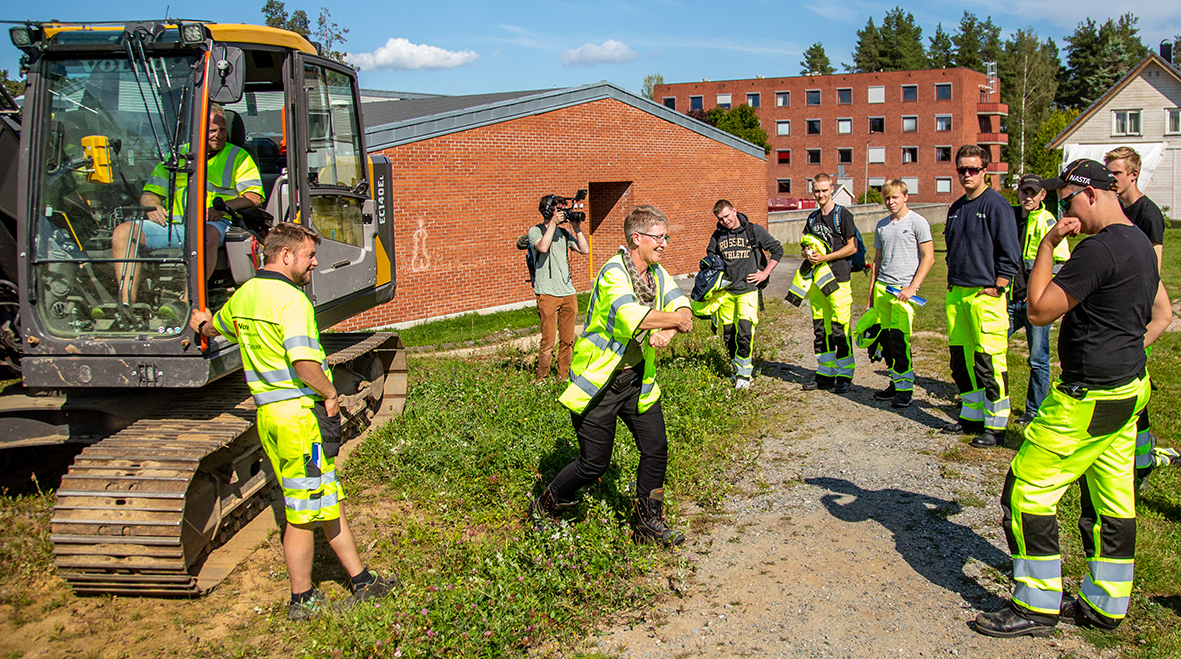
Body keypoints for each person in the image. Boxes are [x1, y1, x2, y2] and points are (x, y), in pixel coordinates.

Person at [974, 159, 1171, 638]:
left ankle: (1036, 607)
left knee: (1027, 490)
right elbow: (1161, 313)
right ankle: (1106, 605)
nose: (1065, 208)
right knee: (1113, 502)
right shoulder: (1142, 244)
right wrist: (1124, 349)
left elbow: (1039, 310)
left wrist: (1046, 244)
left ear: (1091, 194)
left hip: (1086, 399)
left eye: (1067, 199)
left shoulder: (1098, 250)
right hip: (1128, 390)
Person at [189, 223, 396, 621]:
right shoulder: (291, 301)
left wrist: (200, 322)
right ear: (285, 256)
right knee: (302, 512)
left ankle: (363, 580)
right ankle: (302, 598)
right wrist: (331, 392)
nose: (314, 263)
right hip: (299, 417)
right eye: (309, 255)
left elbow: (216, 326)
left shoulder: (245, 295)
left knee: (325, 497)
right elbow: (303, 363)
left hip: (269, 414)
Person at [528, 205, 695, 546]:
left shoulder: (657, 273)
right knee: (594, 465)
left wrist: (672, 330)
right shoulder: (612, 272)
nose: (664, 244)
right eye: (659, 237)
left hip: (638, 382)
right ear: (638, 238)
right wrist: (674, 321)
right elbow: (631, 314)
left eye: (666, 237)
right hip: (599, 385)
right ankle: (544, 505)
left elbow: (683, 305)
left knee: (656, 449)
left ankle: (648, 521)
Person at [114, 103, 263, 304]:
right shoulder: (177, 157)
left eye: (222, 130)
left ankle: (187, 302)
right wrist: (153, 205)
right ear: (198, 130)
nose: (218, 135)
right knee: (124, 232)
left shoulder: (238, 156)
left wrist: (222, 208)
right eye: (212, 131)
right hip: (173, 227)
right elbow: (150, 192)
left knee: (206, 234)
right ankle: (127, 304)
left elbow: (254, 197)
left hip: (215, 225)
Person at [941, 145, 1021, 447]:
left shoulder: (997, 205)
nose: (967, 174)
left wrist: (999, 286)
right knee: (961, 362)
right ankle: (971, 418)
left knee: (988, 363)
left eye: (973, 169)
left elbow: (1009, 254)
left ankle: (996, 426)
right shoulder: (957, 207)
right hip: (957, 295)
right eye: (962, 169)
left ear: (984, 170)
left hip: (985, 296)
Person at [1103, 147, 1168, 484]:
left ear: (1133, 174)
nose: (1110, 179)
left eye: (1115, 173)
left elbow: (1151, 269)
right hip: (1116, 310)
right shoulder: (1114, 209)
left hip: (1137, 312)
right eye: (1107, 172)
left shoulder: (1147, 214)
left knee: (1134, 389)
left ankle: (1141, 462)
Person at [865, 179, 934, 409]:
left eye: (895, 197)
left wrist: (912, 288)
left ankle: (905, 389)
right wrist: (871, 294)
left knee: (899, 339)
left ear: (905, 196)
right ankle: (896, 382)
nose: (891, 202)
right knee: (885, 340)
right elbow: (877, 260)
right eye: (887, 197)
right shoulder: (882, 225)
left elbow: (929, 257)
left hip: (904, 292)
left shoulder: (917, 222)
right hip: (883, 289)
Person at [1008, 174, 1071, 425]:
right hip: (1010, 300)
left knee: (1038, 359)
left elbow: (1061, 263)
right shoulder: (1012, 217)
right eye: (1025, 192)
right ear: (1019, 193)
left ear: (1043, 195)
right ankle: (990, 398)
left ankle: (1033, 410)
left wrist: (1045, 298)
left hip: (1035, 303)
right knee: (992, 348)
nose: (1028, 197)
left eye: (1034, 193)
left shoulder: (1048, 221)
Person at [700, 199, 782, 389]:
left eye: (727, 216)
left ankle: (745, 376)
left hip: (748, 290)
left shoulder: (754, 231)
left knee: (744, 332)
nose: (725, 221)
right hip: (726, 292)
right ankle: (737, 371)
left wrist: (765, 273)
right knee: (729, 335)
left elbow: (777, 250)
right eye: (720, 219)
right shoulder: (718, 235)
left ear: (734, 211)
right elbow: (710, 258)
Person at [802, 173, 858, 393]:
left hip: (839, 280)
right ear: (812, 190)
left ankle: (844, 375)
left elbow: (851, 247)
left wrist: (825, 258)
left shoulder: (842, 215)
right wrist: (807, 252)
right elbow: (806, 241)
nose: (821, 194)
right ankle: (825, 374)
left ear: (832, 189)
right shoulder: (812, 218)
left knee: (839, 328)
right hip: (818, 282)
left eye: (824, 190)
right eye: (817, 190)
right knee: (820, 329)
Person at [528, 195, 589, 380]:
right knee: (548, 342)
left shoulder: (563, 234)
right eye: (559, 209)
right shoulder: (535, 231)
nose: (563, 212)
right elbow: (543, 247)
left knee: (568, 341)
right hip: (547, 293)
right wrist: (553, 223)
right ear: (548, 211)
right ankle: (542, 379)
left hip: (568, 293)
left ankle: (563, 376)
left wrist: (577, 228)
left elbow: (584, 249)